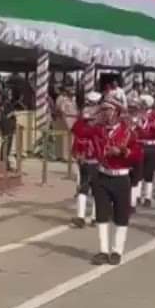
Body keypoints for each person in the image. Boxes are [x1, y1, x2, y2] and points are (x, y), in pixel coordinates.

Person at [90, 94, 132, 265]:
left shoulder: (127, 131)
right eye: (104, 109)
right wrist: (90, 114)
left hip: (121, 177)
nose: (105, 113)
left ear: (117, 112)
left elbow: (136, 154)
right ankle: (103, 251)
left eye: (109, 109)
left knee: (121, 216)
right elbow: (79, 130)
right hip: (102, 175)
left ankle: (117, 250)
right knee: (101, 214)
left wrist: (122, 152)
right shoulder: (98, 128)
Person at [70, 92, 101, 228]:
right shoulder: (99, 121)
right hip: (89, 160)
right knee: (88, 189)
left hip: (94, 160)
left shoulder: (95, 122)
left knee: (91, 189)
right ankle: (87, 217)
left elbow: (76, 131)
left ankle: (88, 217)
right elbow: (76, 133)